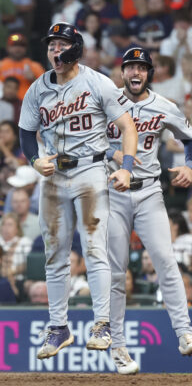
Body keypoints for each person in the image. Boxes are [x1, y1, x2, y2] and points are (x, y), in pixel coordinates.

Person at [18, 23, 138, 360]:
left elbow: (127, 126)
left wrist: (126, 167)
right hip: (55, 173)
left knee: (93, 248)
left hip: (90, 169)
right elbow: (27, 132)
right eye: (51, 45)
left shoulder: (96, 82)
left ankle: (102, 323)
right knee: (54, 254)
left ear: (76, 49)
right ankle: (59, 327)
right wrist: (33, 160)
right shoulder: (38, 88)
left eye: (62, 45)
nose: (55, 52)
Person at [106, 47, 192, 375]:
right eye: (130, 67)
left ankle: (184, 332)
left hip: (149, 192)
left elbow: (190, 139)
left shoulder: (165, 107)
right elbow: (86, 140)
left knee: (166, 261)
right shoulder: (107, 101)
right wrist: (110, 155)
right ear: (123, 72)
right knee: (115, 273)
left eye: (141, 67)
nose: (135, 72)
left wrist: (190, 167)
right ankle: (117, 347)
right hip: (112, 193)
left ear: (149, 73)